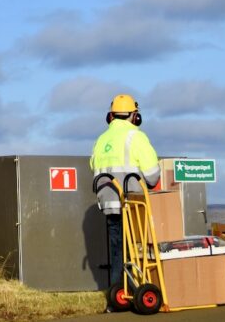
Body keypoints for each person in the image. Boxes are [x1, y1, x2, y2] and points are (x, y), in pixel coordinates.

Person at [89, 94, 160, 305]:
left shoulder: (101, 139)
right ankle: (136, 289)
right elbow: (153, 175)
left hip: (109, 203)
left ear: (110, 116)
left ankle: (118, 293)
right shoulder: (135, 137)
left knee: (117, 249)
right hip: (131, 203)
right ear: (135, 116)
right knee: (135, 249)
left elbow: (93, 166)